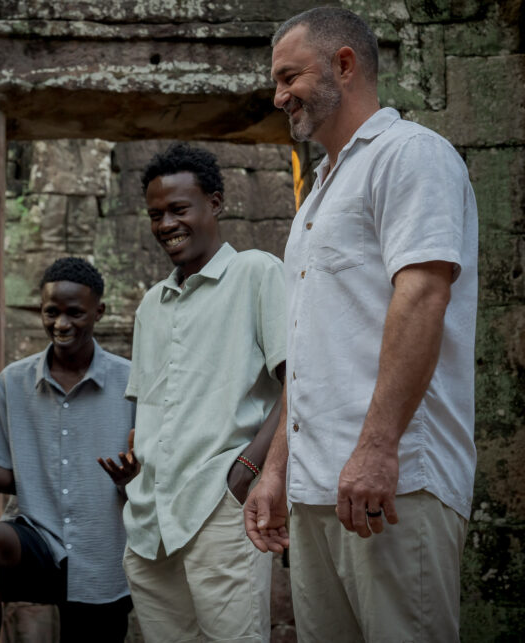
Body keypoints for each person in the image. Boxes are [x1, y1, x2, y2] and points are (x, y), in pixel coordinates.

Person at [245, 7, 478, 641]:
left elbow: (424, 298)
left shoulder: (411, 156)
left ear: (344, 64)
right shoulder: (318, 194)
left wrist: (377, 450)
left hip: (393, 484)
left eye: (289, 76)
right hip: (318, 491)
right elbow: (307, 344)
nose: (278, 95)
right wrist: (275, 472)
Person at [100, 143, 285, 642]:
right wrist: (136, 476)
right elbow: (153, 409)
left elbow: (301, 385)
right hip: (148, 522)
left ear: (216, 204)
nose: (165, 224)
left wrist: (248, 470)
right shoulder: (150, 306)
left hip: (221, 507)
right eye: (155, 214)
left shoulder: (256, 273)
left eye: (179, 209)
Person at [0, 257, 135, 643]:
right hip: (38, 541)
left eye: (74, 313)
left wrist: (132, 480)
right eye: (51, 312)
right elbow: (12, 478)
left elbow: (149, 480)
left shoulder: (131, 382)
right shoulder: (12, 383)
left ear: (99, 312)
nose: (61, 324)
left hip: (102, 553)